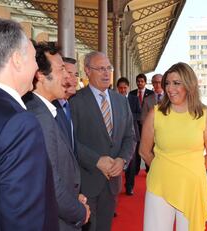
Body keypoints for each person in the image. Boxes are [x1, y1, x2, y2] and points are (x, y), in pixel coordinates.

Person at [0, 18, 58, 231]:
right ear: (16, 59)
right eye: (34, 58)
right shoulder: (19, 124)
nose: (36, 67)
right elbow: (23, 221)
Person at [139, 62, 207, 231]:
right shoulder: (156, 113)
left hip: (191, 187)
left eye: (176, 83)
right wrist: (165, 170)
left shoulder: (204, 115)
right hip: (160, 184)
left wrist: (191, 171)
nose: (170, 88)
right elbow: (144, 151)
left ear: (189, 85)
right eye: (167, 83)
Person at [23, 42, 90, 230]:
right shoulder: (40, 117)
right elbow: (49, 183)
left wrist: (72, 196)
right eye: (61, 69)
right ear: (41, 75)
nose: (68, 77)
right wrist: (79, 211)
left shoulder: (43, 110)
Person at [70, 51, 136, 231]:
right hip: (86, 182)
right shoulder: (74, 101)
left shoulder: (121, 101)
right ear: (87, 71)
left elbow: (130, 137)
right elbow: (70, 141)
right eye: (100, 69)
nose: (106, 73)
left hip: (112, 183)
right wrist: (96, 161)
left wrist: (122, 160)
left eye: (109, 68)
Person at [116, 77, 142, 195]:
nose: (122, 90)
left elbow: (139, 114)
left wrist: (128, 116)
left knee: (131, 162)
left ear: (128, 88)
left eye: (124, 88)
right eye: (120, 88)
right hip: (117, 136)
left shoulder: (134, 99)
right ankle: (115, 188)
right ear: (117, 89)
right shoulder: (113, 99)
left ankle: (129, 186)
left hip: (132, 135)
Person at [129, 73, 154, 174]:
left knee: (149, 146)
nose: (140, 83)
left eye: (142, 81)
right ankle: (136, 169)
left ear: (145, 82)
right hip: (135, 126)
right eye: (138, 81)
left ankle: (149, 169)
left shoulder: (151, 94)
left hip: (147, 126)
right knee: (137, 148)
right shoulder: (131, 93)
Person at [52, 57, 78, 151]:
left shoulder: (71, 105)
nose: (75, 80)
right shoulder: (49, 108)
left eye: (76, 75)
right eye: (69, 73)